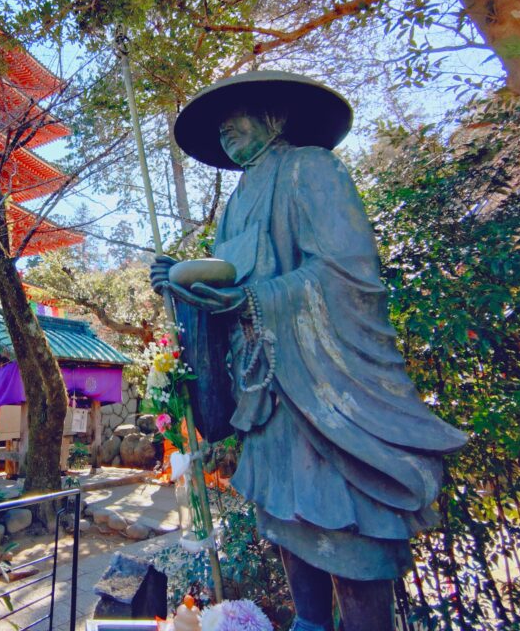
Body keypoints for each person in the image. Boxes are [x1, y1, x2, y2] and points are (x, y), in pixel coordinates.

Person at [150, 72, 467, 631]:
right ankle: (309, 623)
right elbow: (223, 287)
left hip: (321, 381)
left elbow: (347, 275)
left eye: (239, 113)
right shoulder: (235, 205)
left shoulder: (313, 170)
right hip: (266, 391)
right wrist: (180, 286)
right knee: (287, 519)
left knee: (349, 534)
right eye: (220, 125)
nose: (225, 129)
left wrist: (254, 301)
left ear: (275, 115)